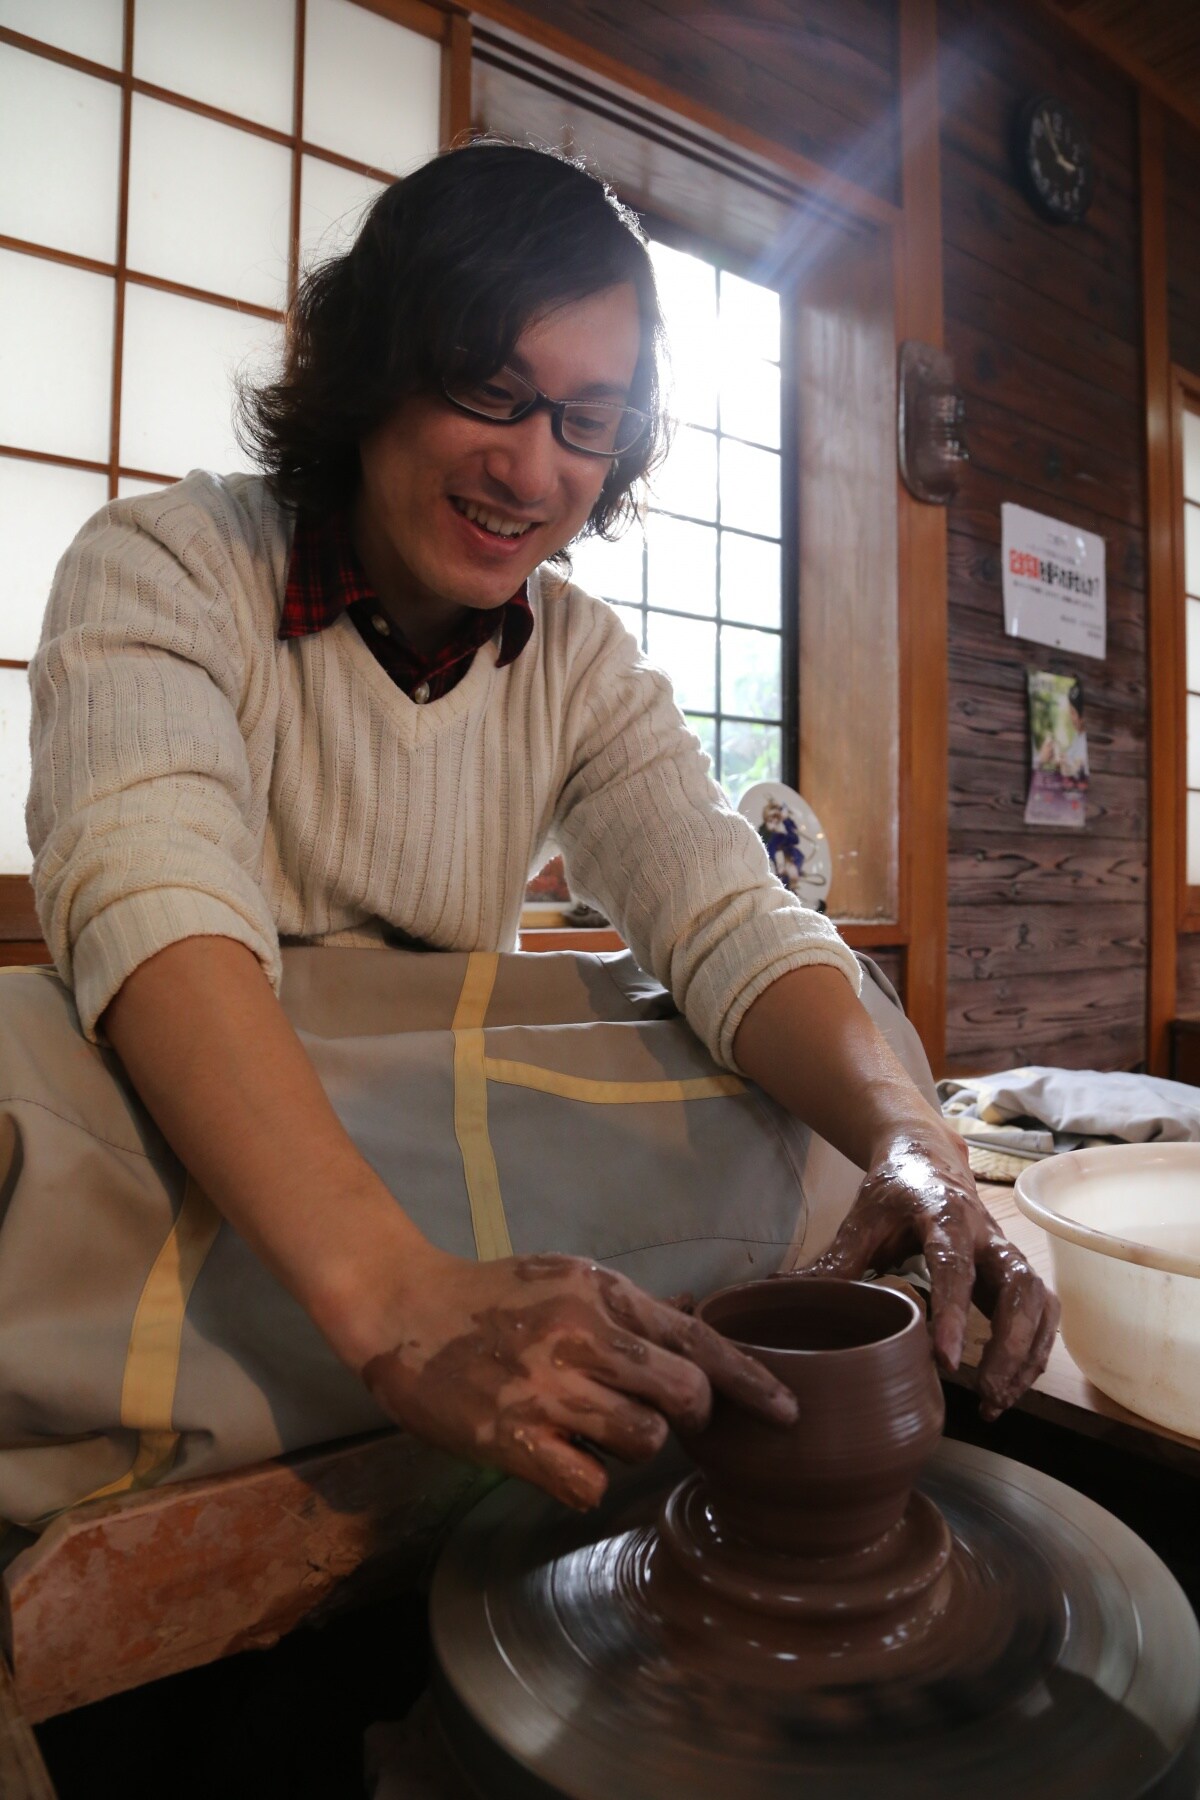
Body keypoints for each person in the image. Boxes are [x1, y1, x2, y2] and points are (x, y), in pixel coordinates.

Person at [24, 140, 1056, 1517]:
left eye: (587, 421)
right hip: (236, 1115)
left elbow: (729, 916)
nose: (531, 468)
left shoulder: (580, 663)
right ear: (372, 364)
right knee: (25, 1069)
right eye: (488, 393)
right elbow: (153, 905)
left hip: (429, 1141)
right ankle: (437, 1307)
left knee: (852, 1045)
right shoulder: (166, 563)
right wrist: (403, 1308)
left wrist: (917, 1150)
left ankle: (380, 1322)